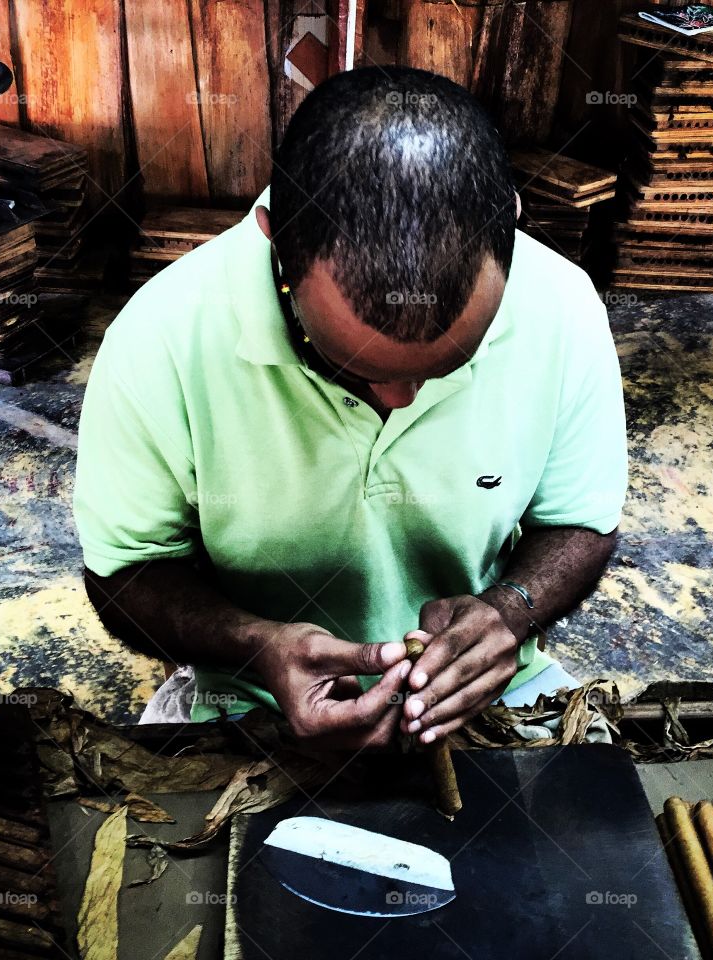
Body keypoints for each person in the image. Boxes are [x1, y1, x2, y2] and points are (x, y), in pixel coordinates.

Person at [73, 66, 627, 749]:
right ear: (274, 236)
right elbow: (126, 572)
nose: (399, 403)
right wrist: (259, 649)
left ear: (511, 221)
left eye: (451, 365)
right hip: (250, 699)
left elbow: (581, 522)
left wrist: (510, 613)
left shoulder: (564, 310)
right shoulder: (160, 339)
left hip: (490, 690)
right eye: (348, 367)